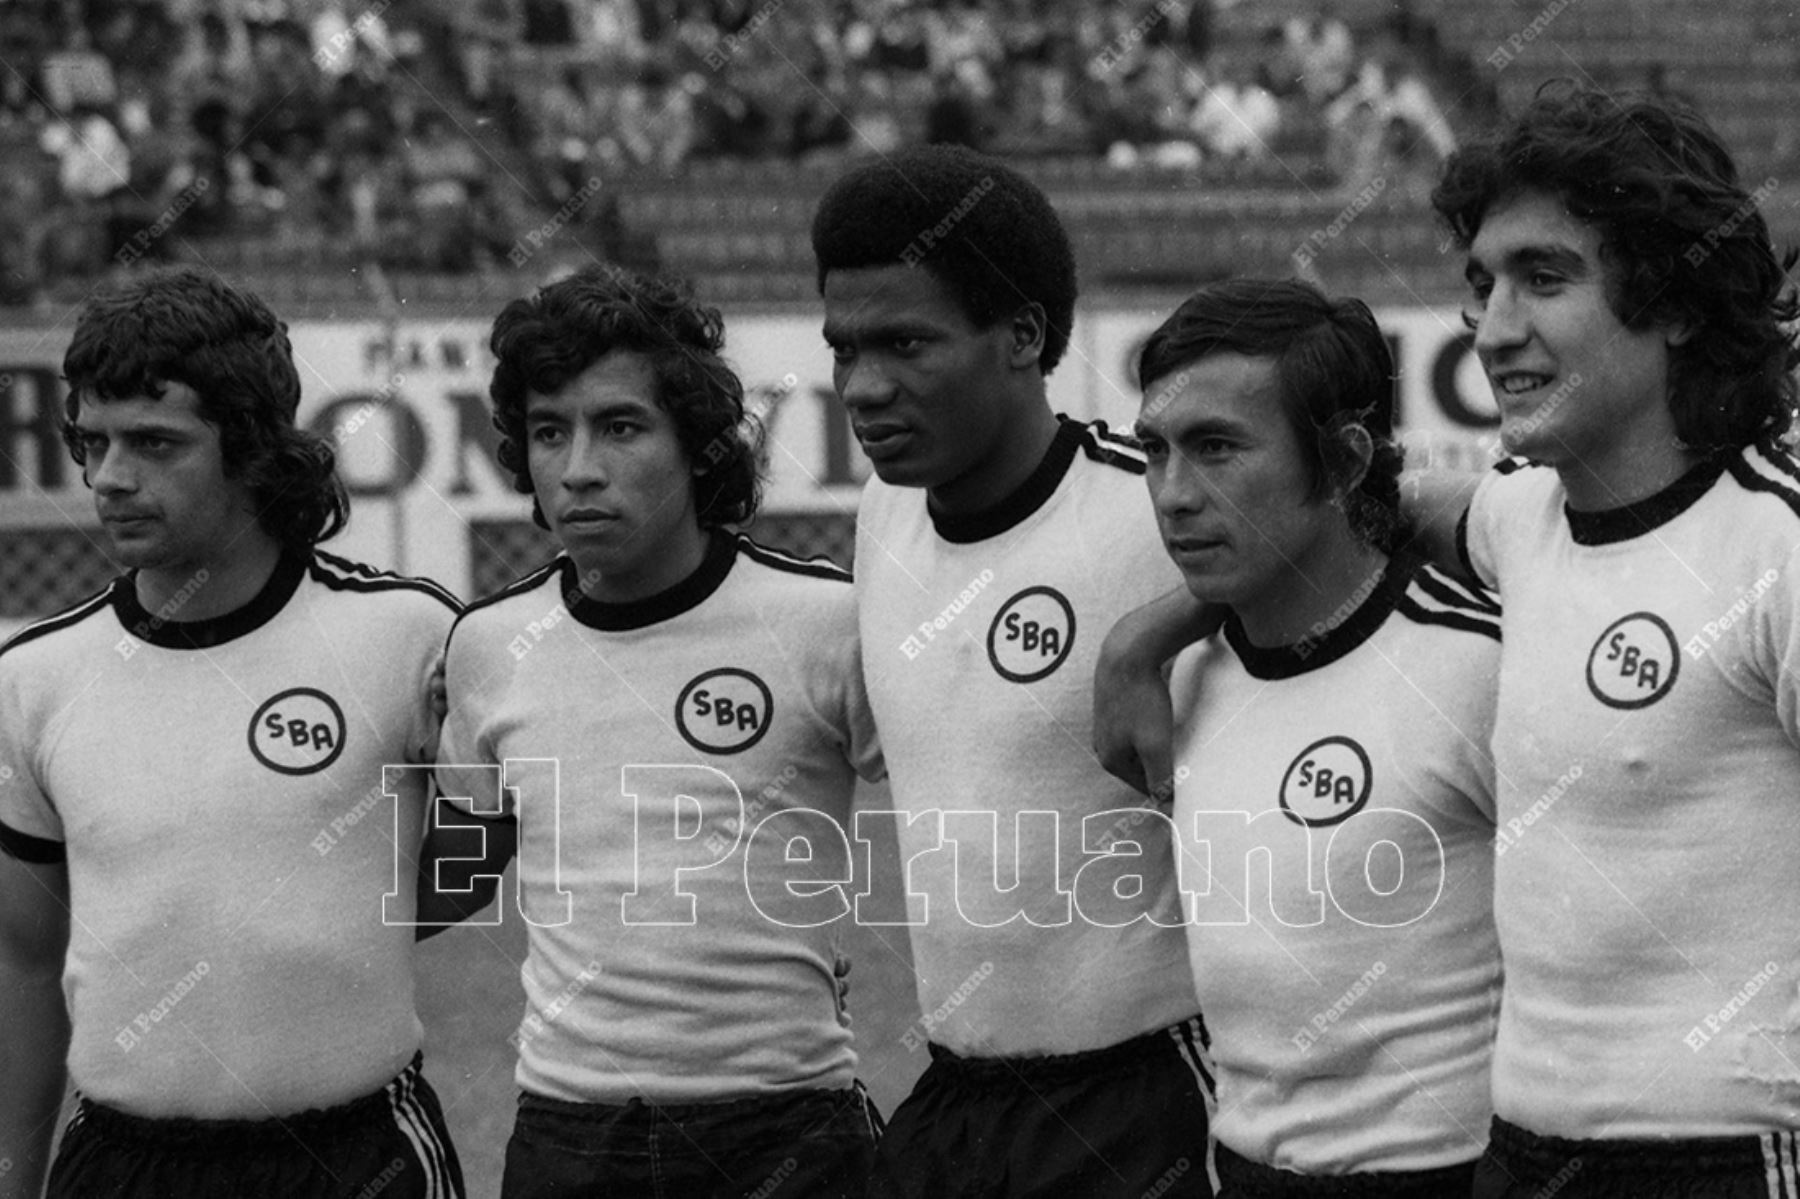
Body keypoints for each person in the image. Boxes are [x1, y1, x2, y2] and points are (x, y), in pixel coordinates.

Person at [1097, 84, 1800, 1196]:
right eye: (1481, 283)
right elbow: (1332, 501)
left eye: (1544, 277)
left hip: (1723, 1154)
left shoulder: (1774, 547)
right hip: (1516, 1153)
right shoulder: (1522, 520)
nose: (1494, 325)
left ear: (1672, 301)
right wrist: (1146, 638)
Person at [0, 267, 466, 1199]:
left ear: (253, 449)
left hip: (359, 1158)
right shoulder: (34, 678)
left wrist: (325, 928)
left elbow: (500, 826)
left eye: (155, 443)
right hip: (119, 1166)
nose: (109, 477)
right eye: (93, 442)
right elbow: (22, 953)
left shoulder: (409, 637)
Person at [430, 265, 884, 1198]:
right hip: (567, 1137)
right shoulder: (488, 646)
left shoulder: (826, 622)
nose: (579, 467)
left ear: (698, 445)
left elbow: (968, 805)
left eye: (621, 426)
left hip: (790, 1131)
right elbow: (458, 873)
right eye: (549, 431)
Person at [813, 143, 1215, 1199]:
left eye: (905, 343)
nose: (863, 386)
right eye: (843, 348)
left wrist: (1151, 630)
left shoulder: (1152, 509)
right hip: (955, 1099)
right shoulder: (883, 513)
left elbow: (1352, 532)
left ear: (1023, 336)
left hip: (1143, 1098)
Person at [1134, 278, 1502, 1195]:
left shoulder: (1480, 665)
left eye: (1216, 448)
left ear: (1341, 462)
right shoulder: (1179, 679)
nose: (1174, 494)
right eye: (1156, 451)